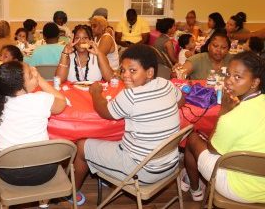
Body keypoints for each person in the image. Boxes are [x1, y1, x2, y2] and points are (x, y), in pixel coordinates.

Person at [71, 44, 184, 205]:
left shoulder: (130, 95)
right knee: (113, 138)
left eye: (133, 70)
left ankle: (71, 192)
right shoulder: (166, 84)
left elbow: (104, 111)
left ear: (150, 72)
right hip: (170, 166)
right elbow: (181, 101)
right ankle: (104, 168)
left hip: (142, 171)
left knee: (82, 146)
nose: (125, 75)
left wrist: (96, 91)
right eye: (123, 70)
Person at [182, 51, 265, 203]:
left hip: (239, 188)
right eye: (228, 75)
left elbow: (213, 148)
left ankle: (195, 189)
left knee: (193, 138)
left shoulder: (232, 117)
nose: (228, 81)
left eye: (237, 77)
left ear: (254, 83)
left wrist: (223, 112)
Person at [0, 62, 66, 185]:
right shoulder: (40, 99)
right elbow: (62, 102)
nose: (34, 72)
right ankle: (43, 201)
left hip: (8, 173)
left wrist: (32, 77)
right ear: (19, 88)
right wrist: (39, 79)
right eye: (31, 75)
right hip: (43, 172)